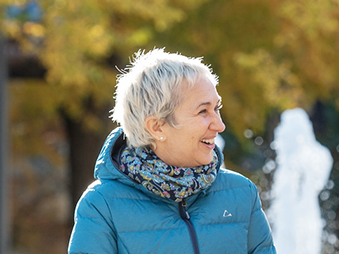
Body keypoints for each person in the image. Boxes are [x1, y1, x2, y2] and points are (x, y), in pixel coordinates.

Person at [68, 48, 275, 253]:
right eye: (203, 111)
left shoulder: (241, 193)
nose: (219, 125)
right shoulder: (101, 206)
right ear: (157, 127)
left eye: (216, 108)